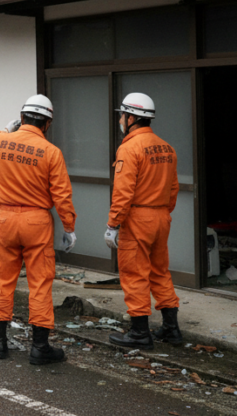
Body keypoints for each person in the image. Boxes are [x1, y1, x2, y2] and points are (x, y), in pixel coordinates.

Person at [0, 94, 77, 365]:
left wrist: (6, 130)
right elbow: (62, 195)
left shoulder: (2, 142)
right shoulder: (51, 152)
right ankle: (40, 348)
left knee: (3, 280)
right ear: (47, 124)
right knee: (40, 284)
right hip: (36, 222)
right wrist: (69, 226)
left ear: (22, 118)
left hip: (5, 219)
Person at [105, 92, 181, 349]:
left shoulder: (129, 148)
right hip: (161, 217)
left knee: (135, 274)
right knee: (160, 271)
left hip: (137, 218)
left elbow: (123, 192)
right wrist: (162, 212)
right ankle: (172, 329)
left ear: (131, 118)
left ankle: (139, 333)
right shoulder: (166, 148)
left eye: (122, 116)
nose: (121, 120)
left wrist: (113, 224)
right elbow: (173, 189)